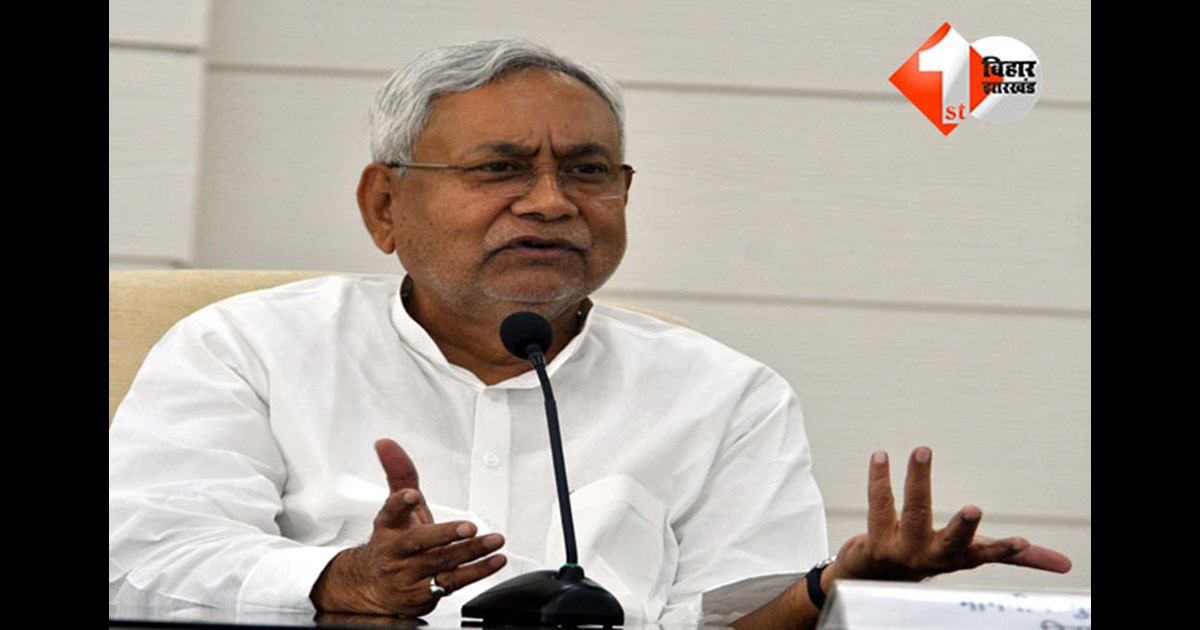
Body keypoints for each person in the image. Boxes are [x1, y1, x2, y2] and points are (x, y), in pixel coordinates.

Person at [108, 38, 1071, 628]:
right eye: (499, 168)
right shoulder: (246, 350)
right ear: (384, 205)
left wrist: (830, 595)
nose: (550, 202)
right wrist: (341, 581)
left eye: (587, 171)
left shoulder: (724, 395)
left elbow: (727, 620)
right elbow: (139, 560)